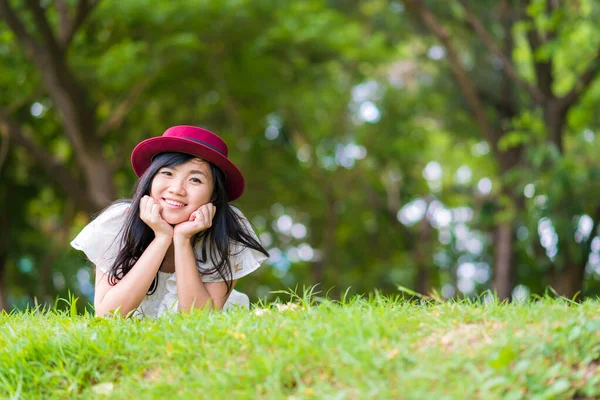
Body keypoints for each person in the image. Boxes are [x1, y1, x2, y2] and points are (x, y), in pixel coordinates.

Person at [71, 125, 269, 318]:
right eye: (167, 173)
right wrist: (162, 238)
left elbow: (201, 321)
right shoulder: (120, 222)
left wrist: (182, 240)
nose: (177, 189)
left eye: (195, 180)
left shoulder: (227, 230)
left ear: (214, 195)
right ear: (151, 179)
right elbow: (109, 315)